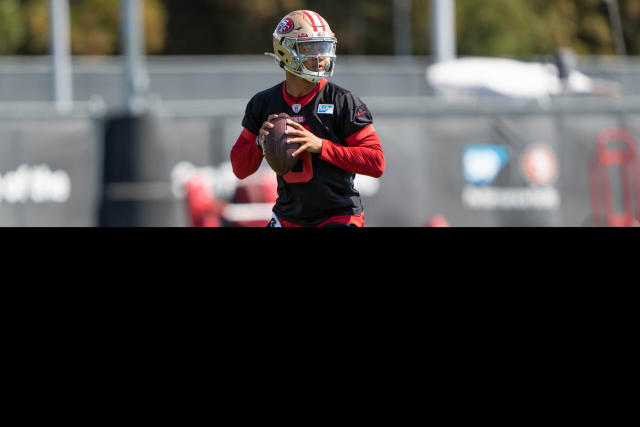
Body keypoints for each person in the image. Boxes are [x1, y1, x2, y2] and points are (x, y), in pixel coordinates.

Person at [230, 10, 384, 227]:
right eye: (311, 48)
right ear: (285, 50)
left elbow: (376, 162)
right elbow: (239, 168)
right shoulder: (264, 103)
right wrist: (259, 143)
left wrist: (320, 146)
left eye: (324, 47)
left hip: (338, 215)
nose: (321, 57)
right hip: (288, 216)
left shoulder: (343, 101)